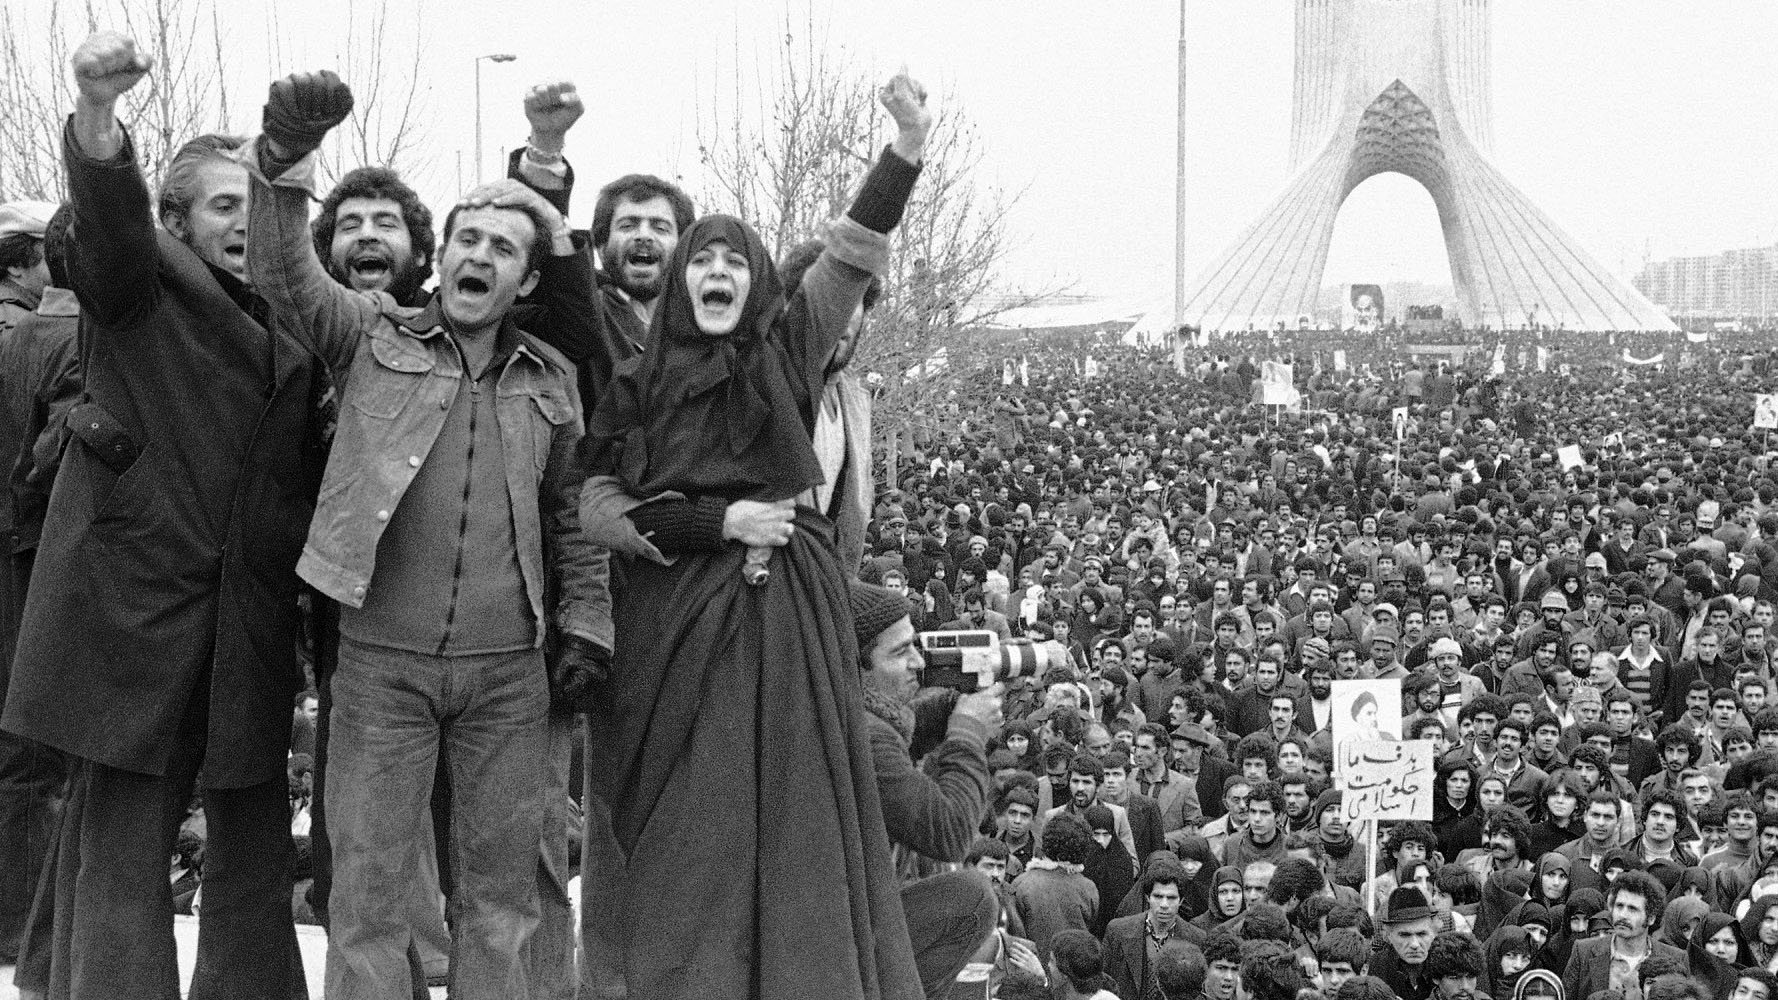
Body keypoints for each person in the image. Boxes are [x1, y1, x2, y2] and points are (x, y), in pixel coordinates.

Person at [243, 69, 614, 998]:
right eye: (466, 238)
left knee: (498, 904)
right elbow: (288, 273)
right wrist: (283, 161)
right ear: (441, 257)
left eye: (501, 246)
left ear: (526, 279)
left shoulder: (551, 378)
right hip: (380, 665)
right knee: (366, 900)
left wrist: (588, 627)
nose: (478, 254)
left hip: (509, 676)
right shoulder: (372, 337)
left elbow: (572, 521)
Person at [575, 70, 931, 1000]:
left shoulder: (791, 352)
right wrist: (715, 521)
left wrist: (904, 150)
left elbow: (853, 252)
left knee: (794, 818)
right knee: (685, 827)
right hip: (671, 621)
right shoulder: (633, 383)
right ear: (683, 284)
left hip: (785, 621)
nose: (719, 273)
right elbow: (595, 505)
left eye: (736, 261)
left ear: (758, 281)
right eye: (703, 262)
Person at [0, 33, 326, 999]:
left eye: (253, 206)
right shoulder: (139, 293)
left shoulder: (297, 319)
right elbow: (106, 232)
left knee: (252, 843)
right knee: (124, 852)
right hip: (136, 615)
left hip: (247, 622)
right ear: (174, 221)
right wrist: (98, 121)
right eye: (224, 205)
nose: (242, 223)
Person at [850, 580, 1004, 999]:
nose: (918, 662)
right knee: (974, 899)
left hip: (838, 914)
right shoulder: (865, 733)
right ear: (854, 665)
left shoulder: (851, 714)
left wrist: (945, 710)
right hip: (846, 933)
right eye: (900, 652)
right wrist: (968, 732)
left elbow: (894, 752)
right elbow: (951, 834)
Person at [0, 203, 76, 977]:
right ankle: (22, 927)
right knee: (35, 754)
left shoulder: (16, 334)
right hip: (34, 555)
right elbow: (57, 459)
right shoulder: (68, 343)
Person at [1561, 871, 1683, 1000]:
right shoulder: (1583, 952)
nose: (1623, 915)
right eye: (1619, 906)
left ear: (1651, 918)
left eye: (1632, 909)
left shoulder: (1675, 959)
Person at [1103, 861, 1205, 1000]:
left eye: (1171, 898)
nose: (1164, 905)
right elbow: (1104, 983)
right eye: (1158, 896)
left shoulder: (1196, 938)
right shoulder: (1118, 931)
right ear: (1147, 897)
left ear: (1181, 901)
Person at [1372, 886, 1440, 1000]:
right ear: (1389, 936)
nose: (1415, 944)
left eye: (1422, 934)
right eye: (1405, 935)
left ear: (1433, 933)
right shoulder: (1376, 968)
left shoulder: (1444, 965)